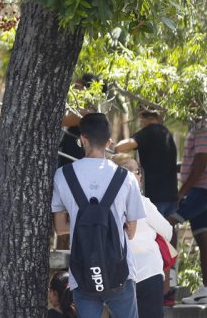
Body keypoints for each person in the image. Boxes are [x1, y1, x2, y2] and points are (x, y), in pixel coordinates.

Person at [51, 112, 144, 318]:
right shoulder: (127, 178)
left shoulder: (63, 176)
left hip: (82, 272)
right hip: (121, 272)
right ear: (109, 142)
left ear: (82, 138)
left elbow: (60, 228)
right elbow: (131, 232)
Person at [111, 153, 174, 318]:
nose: (140, 176)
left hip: (117, 273)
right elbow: (168, 231)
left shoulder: (106, 204)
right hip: (148, 271)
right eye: (137, 171)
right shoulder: (143, 203)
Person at [173, 113, 207, 305]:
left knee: (167, 223)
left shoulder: (203, 127)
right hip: (203, 190)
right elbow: (194, 162)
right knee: (203, 239)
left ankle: (166, 280)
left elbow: (201, 162)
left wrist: (181, 193)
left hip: (201, 190)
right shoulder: (197, 126)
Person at [115, 110, 178, 217]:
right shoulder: (166, 133)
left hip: (156, 196)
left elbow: (120, 147)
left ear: (141, 116)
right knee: (167, 232)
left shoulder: (147, 133)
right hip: (172, 195)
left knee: (155, 232)